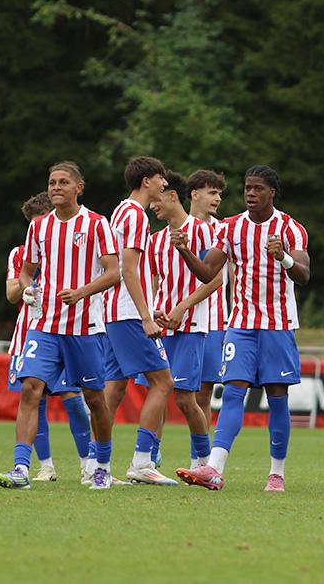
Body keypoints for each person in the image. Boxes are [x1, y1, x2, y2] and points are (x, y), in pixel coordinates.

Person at [173, 165, 310, 492]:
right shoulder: (232, 228)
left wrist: (285, 258)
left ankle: (276, 473)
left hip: (278, 325)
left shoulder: (290, 228)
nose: (250, 193)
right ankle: (214, 469)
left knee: (277, 398)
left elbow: (304, 274)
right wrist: (185, 250)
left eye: (257, 188)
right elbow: (208, 272)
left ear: (271, 192)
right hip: (241, 325)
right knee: (233, 392)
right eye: (247, 188)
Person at [0, 161, 120, 490]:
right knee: (30, 390)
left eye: (64, 182)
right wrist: (27, 288)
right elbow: (26, 270)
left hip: (84, 328)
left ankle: (102, 466)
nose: (56, 187)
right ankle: (22, 469)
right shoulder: (39, 228)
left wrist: (82, 292)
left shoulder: (97, 224)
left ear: (79, 187)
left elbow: (113, 272)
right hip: (44, 325)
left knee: (94, 400)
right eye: (52, 182)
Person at [100, 156, 177, 486]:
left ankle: (96, 467)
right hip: (128, 313)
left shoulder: (120, 211)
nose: (165, 185)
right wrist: (146, 317)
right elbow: (127, 269)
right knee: (163, 383)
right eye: (162, 179)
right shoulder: (135, 215)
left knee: (113, 390)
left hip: (116, 311)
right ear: (147, 181)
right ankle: (142, 462)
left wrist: (149, 307)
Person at [5, 192, 93, 482]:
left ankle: (88, 464)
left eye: (39, 224)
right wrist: (27, 281)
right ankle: (43, 467)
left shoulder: (75, 245)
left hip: (71, 330)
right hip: (32, 331)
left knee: (74, 399)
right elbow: (11, 294)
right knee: (33, 395)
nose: (36, 232)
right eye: (31, 226)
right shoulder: (21, 254)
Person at [143, 170, 217, 472]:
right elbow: (154, 282)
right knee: (156, 394)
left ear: (173, 195)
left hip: (191, 327)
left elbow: (215, 280)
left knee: (187, 398)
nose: (152, 205)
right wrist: (155, 310)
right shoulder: (154, 240)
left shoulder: (203, 231)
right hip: (161, 328)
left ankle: (204, 463)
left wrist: (183, 308)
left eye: (157, 199)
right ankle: (147, 460)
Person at [184, 169, 229, 428]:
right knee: (165, 388)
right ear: (194, 194)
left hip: (213, 321)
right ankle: (149, 456)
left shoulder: (223, 231)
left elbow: (226, 278)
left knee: (203, 393)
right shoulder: (178, 230)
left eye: (219, 194)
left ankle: (199, 461)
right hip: (179, 322)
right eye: (212, 192)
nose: (217, 199)